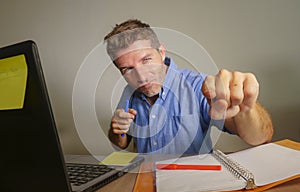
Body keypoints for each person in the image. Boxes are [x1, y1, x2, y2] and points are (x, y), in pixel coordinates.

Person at [104, 19, 273, 154]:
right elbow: (121, 144)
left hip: (192, 188)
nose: (141, 76)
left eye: (146, 60)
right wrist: (117, 131)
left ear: (161, 53)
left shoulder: (200, 86)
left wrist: (246, 108)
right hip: (146, 186)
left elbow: (260, 138)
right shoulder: (129, 92)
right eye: (128, 69)